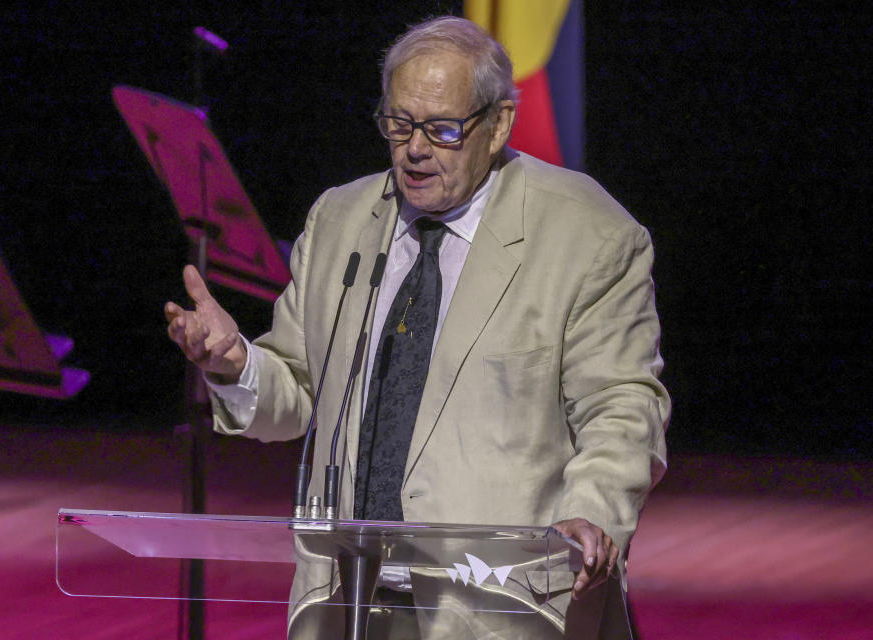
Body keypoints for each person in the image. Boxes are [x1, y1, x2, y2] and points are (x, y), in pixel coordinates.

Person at [165, 15, 669, 640]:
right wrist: (235, 363)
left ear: (499, 124)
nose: (415, 148)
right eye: (398, 124)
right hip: (348, 604)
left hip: (501, 608)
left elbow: (622, 405)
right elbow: (296, 395)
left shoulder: (588, 234)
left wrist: (592, 514)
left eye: (443, 128)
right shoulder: (340, 220)